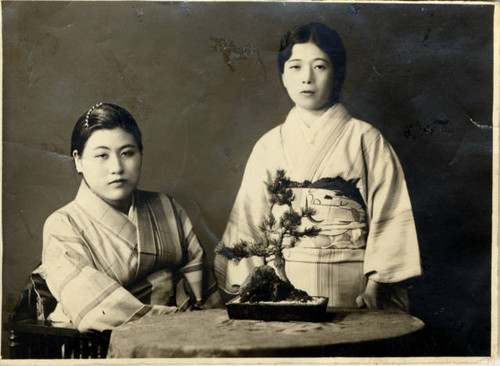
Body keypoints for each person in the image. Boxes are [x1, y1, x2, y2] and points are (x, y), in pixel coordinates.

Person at [215, 23, 421, 310]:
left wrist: (375, 287)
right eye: (295, 67)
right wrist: (252, 283)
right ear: (283, 77)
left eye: (320, 67)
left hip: (354, 289)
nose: (307, 79)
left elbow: (391, 214)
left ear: (337, 74)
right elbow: (248, 223)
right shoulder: (269, 144)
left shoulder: (365, 139)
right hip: (282, 286)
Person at [32, 103, 220, 332]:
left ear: (141, 154)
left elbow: (205, 295)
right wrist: (181, 322)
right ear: (78, 160)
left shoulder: (166, 206)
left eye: (127, 153)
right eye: (102, 155)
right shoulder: (63, 224)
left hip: (188, 335)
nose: (117, 167)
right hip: (98, 346)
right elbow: (97, 314)